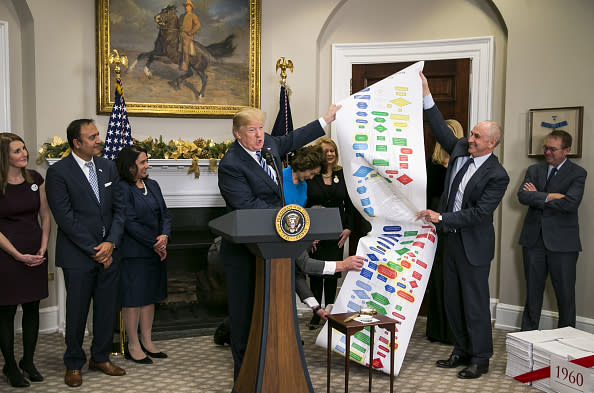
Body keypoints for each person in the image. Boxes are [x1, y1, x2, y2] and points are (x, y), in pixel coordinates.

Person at [217, 104, 341, 379]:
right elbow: (246, 205)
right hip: (244, 254)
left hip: (273, 249)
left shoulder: (269, 144)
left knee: (272, 316)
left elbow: (292, 138)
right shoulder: (231, 164)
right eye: (252, 130)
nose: (260, 135)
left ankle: (274, 371)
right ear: (239, 135)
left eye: (261, 128)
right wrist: (289, 215)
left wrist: (325, 119)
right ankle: (245, 378)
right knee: (245, 318)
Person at [416, 72, 509, 379]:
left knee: (475, 304)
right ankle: (461, 350)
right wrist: (427, 93)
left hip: (473, 246)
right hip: (450, 242)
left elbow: (479, 214)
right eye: (471, 134)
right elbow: (440, 128)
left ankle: (480, 358)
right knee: (452, 300)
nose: (470, 139)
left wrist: (440, 217)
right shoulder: (459, 151)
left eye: (477, 137)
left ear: (491, 143)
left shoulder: (498, 175)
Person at [46, 119, 126, 387]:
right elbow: (65, 218)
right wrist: (95, 249)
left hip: (110, 252)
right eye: (91, 137)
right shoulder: (58, 172)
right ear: (76, 143)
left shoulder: (108, 166)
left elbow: (119, 209)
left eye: (97, 135)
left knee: (106, 309)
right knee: (77, 311)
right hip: (78, 255)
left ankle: (100, 357)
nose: (98, 140)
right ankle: (73, 363)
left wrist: (111, 243)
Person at [518, 130, 586, 331]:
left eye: (552, 149)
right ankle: (527, 338)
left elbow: (571, 204)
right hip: (533, 242)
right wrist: (552, 196)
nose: (547, 152)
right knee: (532, 295)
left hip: (563, 244)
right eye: (545, 147)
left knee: (565, 297)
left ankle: (566, 341)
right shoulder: (533, 171)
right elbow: (522, 197)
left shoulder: (578, 173)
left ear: (567, 150)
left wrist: (538, 196)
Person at [0, 133, 50, 388]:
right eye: (17, 151)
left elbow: (45, 214)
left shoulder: (34, 178)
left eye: (24, 149)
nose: (24, 154)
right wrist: (17, 255)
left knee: (32, 307)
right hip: (7, 255)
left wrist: (43, 247)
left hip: (36, 251)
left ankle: (27, 362)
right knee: (6, 312)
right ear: (4, 157)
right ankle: (9, 365)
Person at [115, 146, 171, 364]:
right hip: (134, 252)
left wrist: (164, 237)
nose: (147, 165)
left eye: (146, 161)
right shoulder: (122, 189)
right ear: (129, 167)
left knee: (149, 297)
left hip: (156, 250)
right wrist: (154, 243)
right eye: (142, 162)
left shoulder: (153, 185)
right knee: (133, 299)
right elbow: (129, 222)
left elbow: (165, 214)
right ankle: (133, 345)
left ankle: (147, 341)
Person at [305, 137, 356, 329]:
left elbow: (350, 204)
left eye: (332, 150)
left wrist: (349, 227)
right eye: (326, 151)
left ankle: (330, 311)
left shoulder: (342, 174)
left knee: (334, 271)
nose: (330, 154)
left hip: (338, 230)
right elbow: (305, 204)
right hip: (316, 231)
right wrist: (309, 233)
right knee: (317, 272)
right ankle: (316, 313)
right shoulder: (312, 175)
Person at [424, 121, 462, 344]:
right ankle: (437, 329)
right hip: (435, 225)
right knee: (437, 277)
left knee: (454, 278)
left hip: (455, 224)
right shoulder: (431, 163)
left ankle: (453, 329)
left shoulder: (464, 163)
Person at [179, 0, 200, 72]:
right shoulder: (181, 16)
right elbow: (179, 25)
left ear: (191, 7)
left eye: (188, 6)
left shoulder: (193, 16)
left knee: (185, 46)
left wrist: (191, 32)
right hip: (180, 34)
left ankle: (185, 64)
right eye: (185, 6)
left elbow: (198, 25)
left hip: (187, 36)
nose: (186, 7)